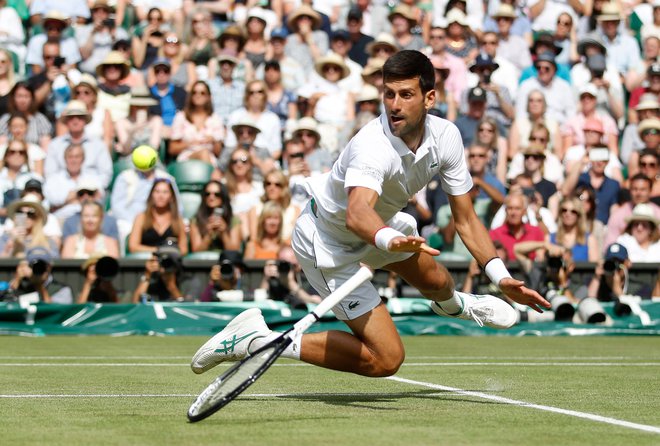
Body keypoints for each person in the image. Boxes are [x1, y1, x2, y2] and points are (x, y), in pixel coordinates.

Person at [191, 50, 549, 378]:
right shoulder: (372, 146)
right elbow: (357, 212)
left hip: (383, 227)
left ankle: (457, 307)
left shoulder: (448, 136)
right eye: (388, 94)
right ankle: (257, 340)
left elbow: (467, 219)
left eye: (405, 94)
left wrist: (500, 277)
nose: (394, 104)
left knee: (439, 283)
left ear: (429, 98)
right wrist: (389, 239)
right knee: (386, 359)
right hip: (330, 242)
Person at [127, 178, 188, 256]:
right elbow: (133, 247)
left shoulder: (178, 220)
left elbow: (184, 249)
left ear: (171, 196)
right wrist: (160, 250)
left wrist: (171, 252)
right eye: (157, 191)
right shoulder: (141, 217)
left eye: (165, 192)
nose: (160, 196)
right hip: (146, 262)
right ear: (151, 195)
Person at [169, 80, 223, 164]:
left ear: (208, 96)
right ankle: (212, 177)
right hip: (186, 159)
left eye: (202, 93)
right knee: (204, 153)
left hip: (210, 158)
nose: (198, 96)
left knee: (205, 153)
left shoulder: (215, 118)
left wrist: (213, 140)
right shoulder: (181, 117)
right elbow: (172, 149)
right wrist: (189, 143)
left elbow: (218, 152)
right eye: (194, 92)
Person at [189, 180, 242, 253]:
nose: (211, 197)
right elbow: (196, 250)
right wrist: (209, 234)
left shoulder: (233, 220)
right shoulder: (196, 220)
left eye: (216, 194)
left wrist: (223, 233)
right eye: (207, 194)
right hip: (203, 262)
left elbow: (234, 251)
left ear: (223, 196)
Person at [7, 246, 73, 303]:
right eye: (34, 265)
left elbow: (56, 312)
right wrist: (17, 279)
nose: (38, 268)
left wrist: (39, 285)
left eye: (42, 266)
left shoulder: (61, 289)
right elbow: (6, 303)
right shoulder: (22, 286)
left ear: (49, 267)